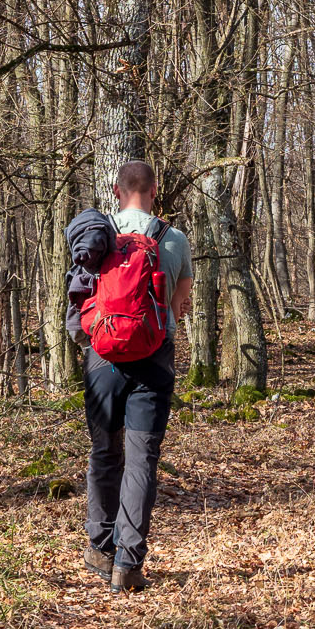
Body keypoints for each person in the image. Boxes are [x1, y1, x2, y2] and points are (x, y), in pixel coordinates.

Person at [64, 161, 194, 592]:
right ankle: (128, 563)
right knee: (141, 462)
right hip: (154, 360)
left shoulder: (99, 236)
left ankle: (99, 547)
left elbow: (80, 301)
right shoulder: (173, 239)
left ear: (116, 191)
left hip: (102, 360)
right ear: (155, 190)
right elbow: (178, 306)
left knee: (105, 452)